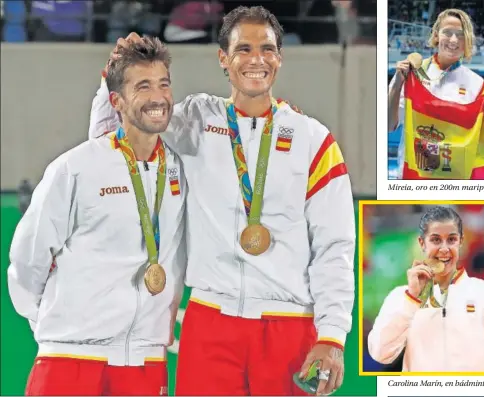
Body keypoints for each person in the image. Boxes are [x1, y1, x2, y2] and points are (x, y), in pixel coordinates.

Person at [88, 6, 355, 396]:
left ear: (279, 57)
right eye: (243, 48)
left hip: (290, 325)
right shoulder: (195, 122)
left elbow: (336, 247)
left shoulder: (314, 140)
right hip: (211, 324)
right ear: (223, 59)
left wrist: (332, 336)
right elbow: (109, 149)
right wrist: (110, 80)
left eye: (267, 48)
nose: (256, 59)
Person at [8, 37, 187, 396]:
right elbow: (28, 258)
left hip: (144, 362)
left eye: (163, 84)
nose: (158, 97)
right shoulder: (75, 168)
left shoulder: (180, 170)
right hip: (70, 358)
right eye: (143, 86)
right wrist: (52, 323)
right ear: (117, 101)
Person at [367, 206, 484, 372]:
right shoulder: (401, 297)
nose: (444, 249)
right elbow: (381, 353)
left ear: (461, 242)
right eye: (436, 240)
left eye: (452, 239)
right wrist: (412, 299)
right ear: (422, 243)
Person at [388, 8, 484, 179]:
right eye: (447, 33)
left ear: (467, 41)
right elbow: (389, 125)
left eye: (460, 34)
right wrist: (398, 83)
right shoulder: (412, 74)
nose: (453, 40)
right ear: (436, 35)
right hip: (414, 178)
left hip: (455, 182)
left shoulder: (477, 85)